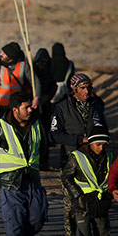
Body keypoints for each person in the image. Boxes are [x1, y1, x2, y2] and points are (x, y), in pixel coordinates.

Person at [0, 91, 48, 236]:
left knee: (38, 218)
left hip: (32, 179)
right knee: (14, 224)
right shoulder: (0, 127)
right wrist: (4, 166)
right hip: (11, 183)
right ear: (15, 109)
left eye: (30, 107)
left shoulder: (36, 124)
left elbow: (43, 148)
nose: (30, 110)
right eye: (26, 108)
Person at [51, 72, 108, 235]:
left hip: (94, 165)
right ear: (74, 89)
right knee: (72, 206)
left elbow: (103, 128)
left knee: (96, 206)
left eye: (89, 87)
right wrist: (79, 140)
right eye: (82, 88)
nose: (86, 91)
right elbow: (55, 134)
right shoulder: (62, 108)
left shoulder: (97, 105)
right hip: (72, 164)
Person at [61, 126, 112, 236]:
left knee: (103, 232)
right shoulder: (77, 156)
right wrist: (78, 196)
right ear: (90, 143)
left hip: (101, 204)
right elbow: (66, 177)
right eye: (98, 144)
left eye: (104, 145)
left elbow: (111, 177)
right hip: (83, 205)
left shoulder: (108, 157)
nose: (101, 148)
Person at [0, 42, 40, 116]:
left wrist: (36, 97)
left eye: (4, 53)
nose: (0, 54)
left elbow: (35, 82)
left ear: (11, 56)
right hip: (1, 106)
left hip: (18, 107)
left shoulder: (24, 66)